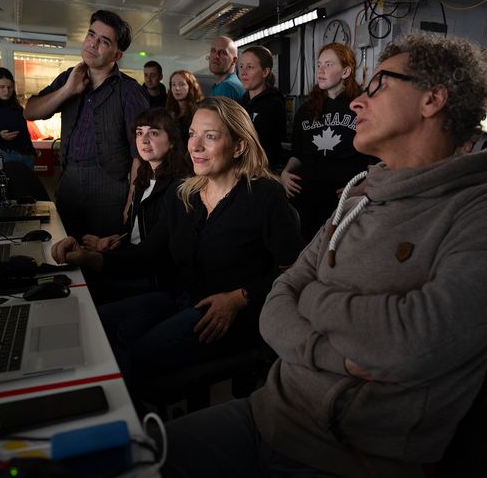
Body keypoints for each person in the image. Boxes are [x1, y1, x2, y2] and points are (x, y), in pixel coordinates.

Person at [158, 33, 487, 478]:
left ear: (432, 100)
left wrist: (315, 298)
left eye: (378, 86)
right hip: (268, 412)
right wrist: (334, 350)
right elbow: (279, 301)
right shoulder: (359, 193)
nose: (358, 102)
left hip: (350, 455)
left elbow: (413, 341)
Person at [52, 96, 302, 380]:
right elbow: (148, 256)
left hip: (230, 314)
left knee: (133, 359)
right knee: (95, 326)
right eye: (193, 134)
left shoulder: (265, 196)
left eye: (210, 137)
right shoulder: (183, 194)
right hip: (180, 298)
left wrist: (238, 298)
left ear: (239, 146)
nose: (194, 146)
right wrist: (91, 257)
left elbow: (294, 273)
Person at [24, 10, 149, 239]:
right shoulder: (68, 77)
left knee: (101, 262)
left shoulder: (130, 91)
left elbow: (140, 155)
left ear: (117, 55)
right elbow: (30, 111)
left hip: (109, 189)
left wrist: (131, 204)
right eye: (91, 35)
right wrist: (67, 90)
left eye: (104, 41)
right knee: (66, 253)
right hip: (69, 182)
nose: (93, 44)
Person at [78, 107, 191, 303]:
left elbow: (153, 252)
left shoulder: (179, 187)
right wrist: (115, 238)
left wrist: (91, 258)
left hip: (155, 276)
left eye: (153, 133)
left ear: (172, 142)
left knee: (89, 287)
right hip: (135, 261)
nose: (144, 140)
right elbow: (135, 227)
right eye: (140, 133)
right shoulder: (144, 176)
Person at [281, 42, 375, 242]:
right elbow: (297, 154)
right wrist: (285, 173)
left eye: (329, 65)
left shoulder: (362, 107)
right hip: (307, 200)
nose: (321, 70)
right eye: (319, 65)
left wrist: (364, 187)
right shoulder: (306, 110)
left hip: (344, 201)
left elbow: (377, 159)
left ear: (346, 71)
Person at [238, 45, 287, 169]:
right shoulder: (239, 104)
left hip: (262, 170)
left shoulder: (274, 104)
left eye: (250, 67)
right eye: (241, 66)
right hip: (241, 168)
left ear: (265, 72)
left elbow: (265, 143)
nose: (243, 72)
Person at [166, 69, 204, 146]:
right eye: (173, 84)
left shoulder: (199, 111)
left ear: (190, 86)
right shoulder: (170, 111)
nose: (177, 88)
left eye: (181, 84)